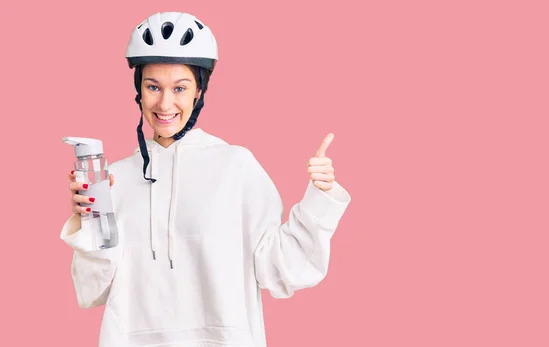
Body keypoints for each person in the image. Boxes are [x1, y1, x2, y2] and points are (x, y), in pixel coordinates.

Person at [60, 11, 351, 347]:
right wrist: (88, 220)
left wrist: (320, 197)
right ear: (138, 90)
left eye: (179, 88)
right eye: (152, 86)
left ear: (199, 92)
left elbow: (279, 268)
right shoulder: (115, 178)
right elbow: (92, 289)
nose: (165, 103)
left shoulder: (235, 166)